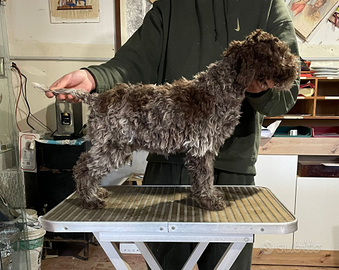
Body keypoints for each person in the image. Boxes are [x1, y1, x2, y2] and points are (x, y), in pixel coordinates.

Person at [46, 0, 300, 268]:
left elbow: (287, 91)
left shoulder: (269, 5)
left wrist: (259, 86)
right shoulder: (170, 5)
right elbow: (132, 61)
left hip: (234, 172)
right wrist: (94, 77)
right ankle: (86, 180)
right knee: (165, 263)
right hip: (164, 169)